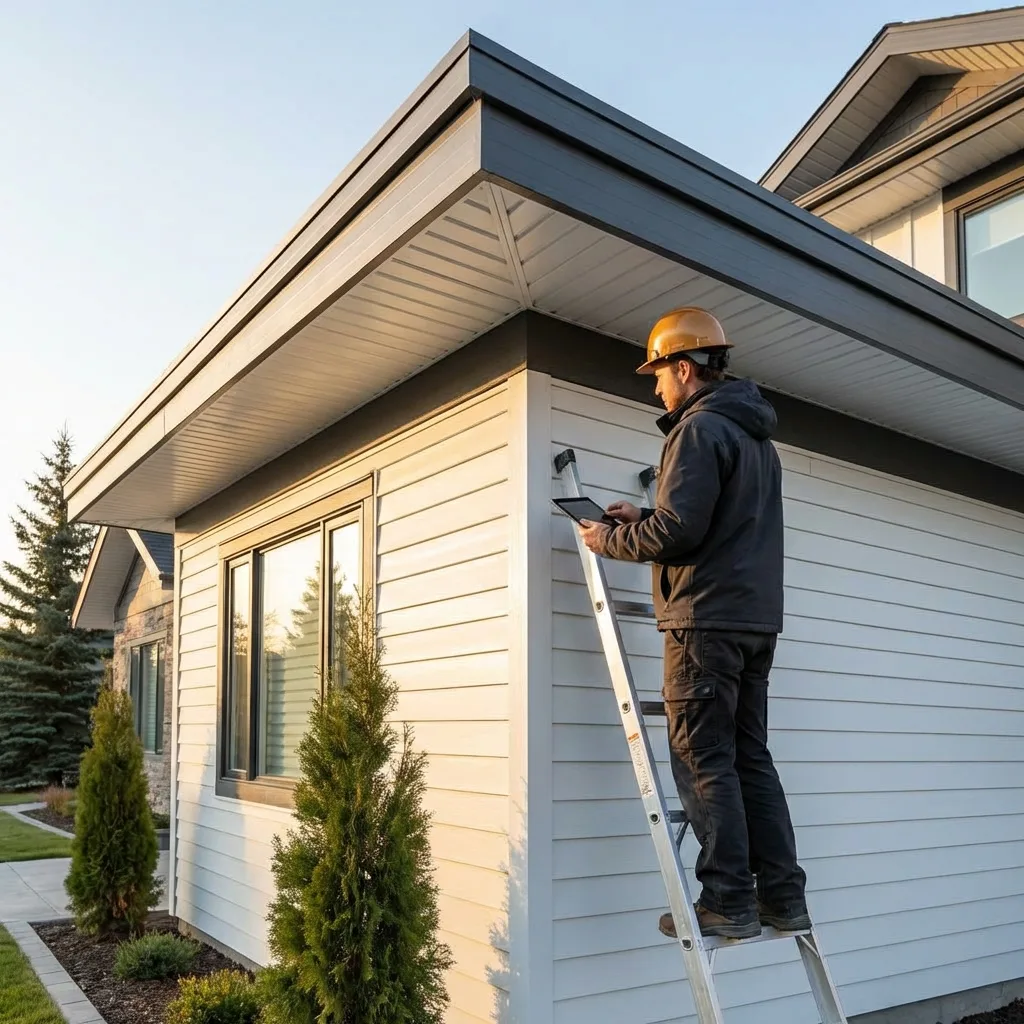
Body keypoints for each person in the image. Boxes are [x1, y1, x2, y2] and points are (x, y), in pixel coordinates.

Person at [577, 306, 810, 941]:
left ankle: (728, 902)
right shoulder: (757, 439)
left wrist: (610, 539)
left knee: (703, 758)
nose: (656, 386)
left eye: (659, 374)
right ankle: (783, 899)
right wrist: (645, 513)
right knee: (748, 757)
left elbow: (681, 529)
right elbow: (711, 521)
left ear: (686, 367)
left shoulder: (698, 430)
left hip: (704, 621)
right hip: (754, 622)